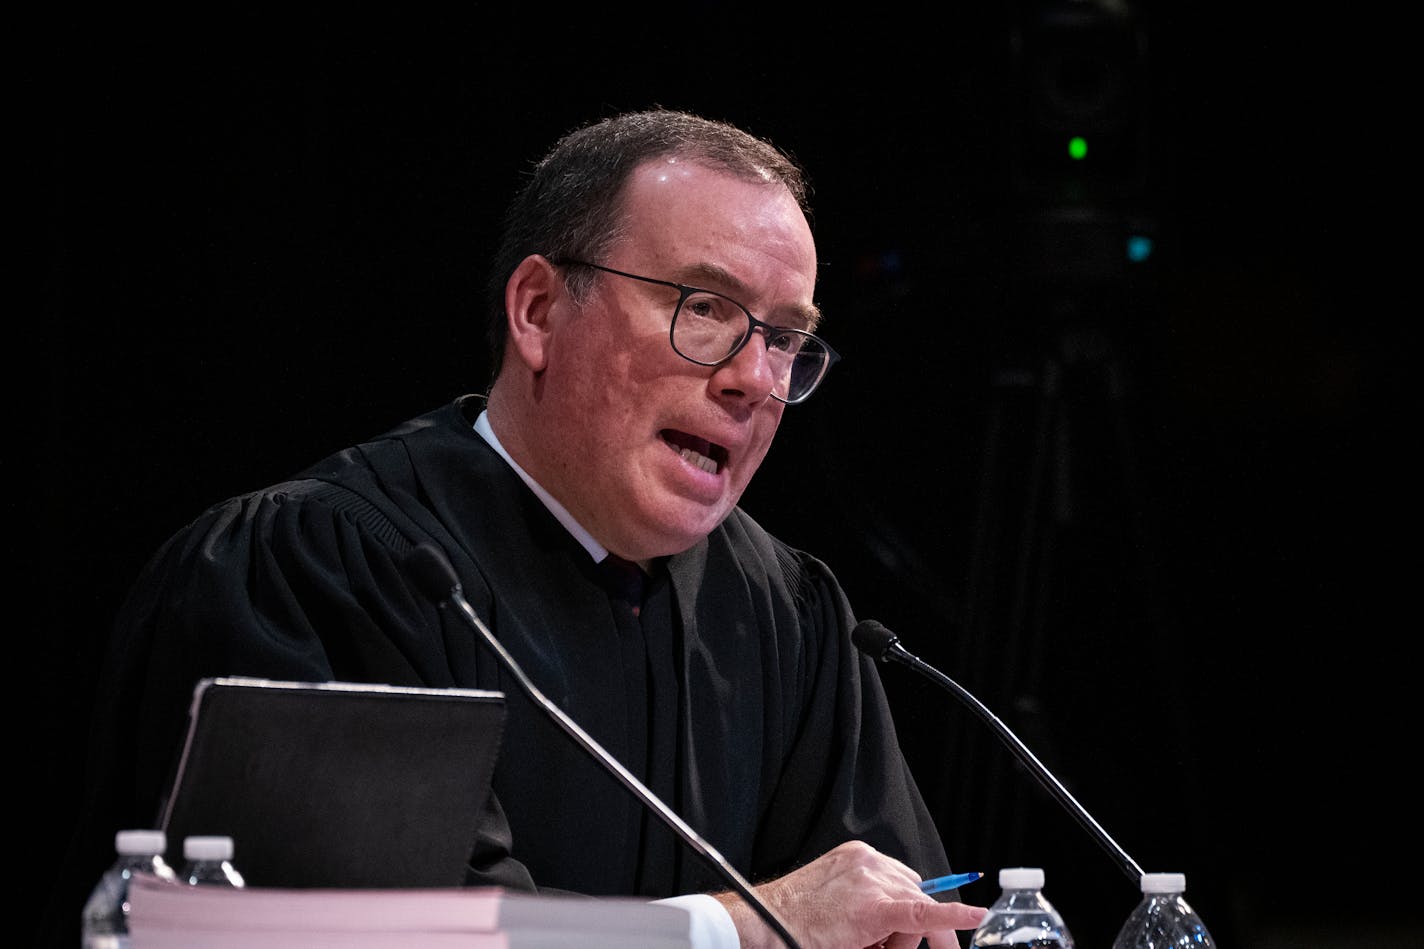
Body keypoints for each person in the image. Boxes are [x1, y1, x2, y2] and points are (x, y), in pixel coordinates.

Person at [52, 108, 986, 949]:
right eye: (705, 311)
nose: (755, 379)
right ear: (538, 311)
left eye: (784, 338)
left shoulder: (795, 621)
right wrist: (736, 928)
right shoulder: (318, 572)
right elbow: (378, 939)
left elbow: (891, 925)